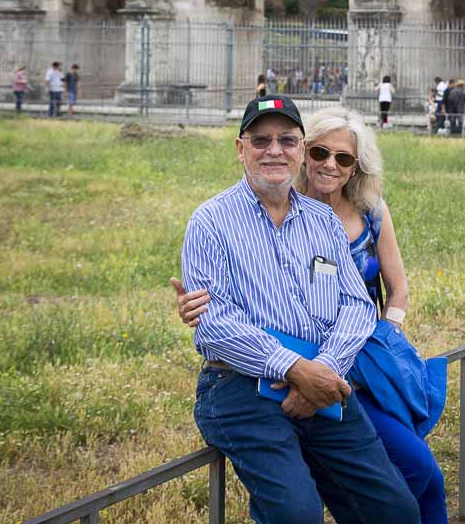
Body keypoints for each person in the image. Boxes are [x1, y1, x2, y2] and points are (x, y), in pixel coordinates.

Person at [174, 104, 448, 524]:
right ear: (240, 148)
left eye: (286, 140)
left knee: (395, 509)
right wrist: (297, 369)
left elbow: (357, 305)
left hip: (327, 376)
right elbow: (214, 325)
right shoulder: (210, 222)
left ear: (299, 150)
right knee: (297, 514)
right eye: (261, 140)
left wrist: (322, 368)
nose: (274, 151)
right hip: (240, 385)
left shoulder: (322, 220)